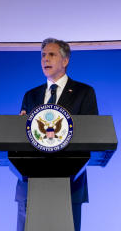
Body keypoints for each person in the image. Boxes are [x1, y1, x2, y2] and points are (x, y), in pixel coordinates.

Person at [16, 38, 98, 231]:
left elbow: (92, 133)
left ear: (65, 60)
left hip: (69, 184)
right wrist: (18, 125)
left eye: (51, 54)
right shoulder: (31, 95)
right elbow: (21, 137)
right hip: (31, 182)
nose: (46, 59)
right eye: (43, 55)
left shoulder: (83, 93)